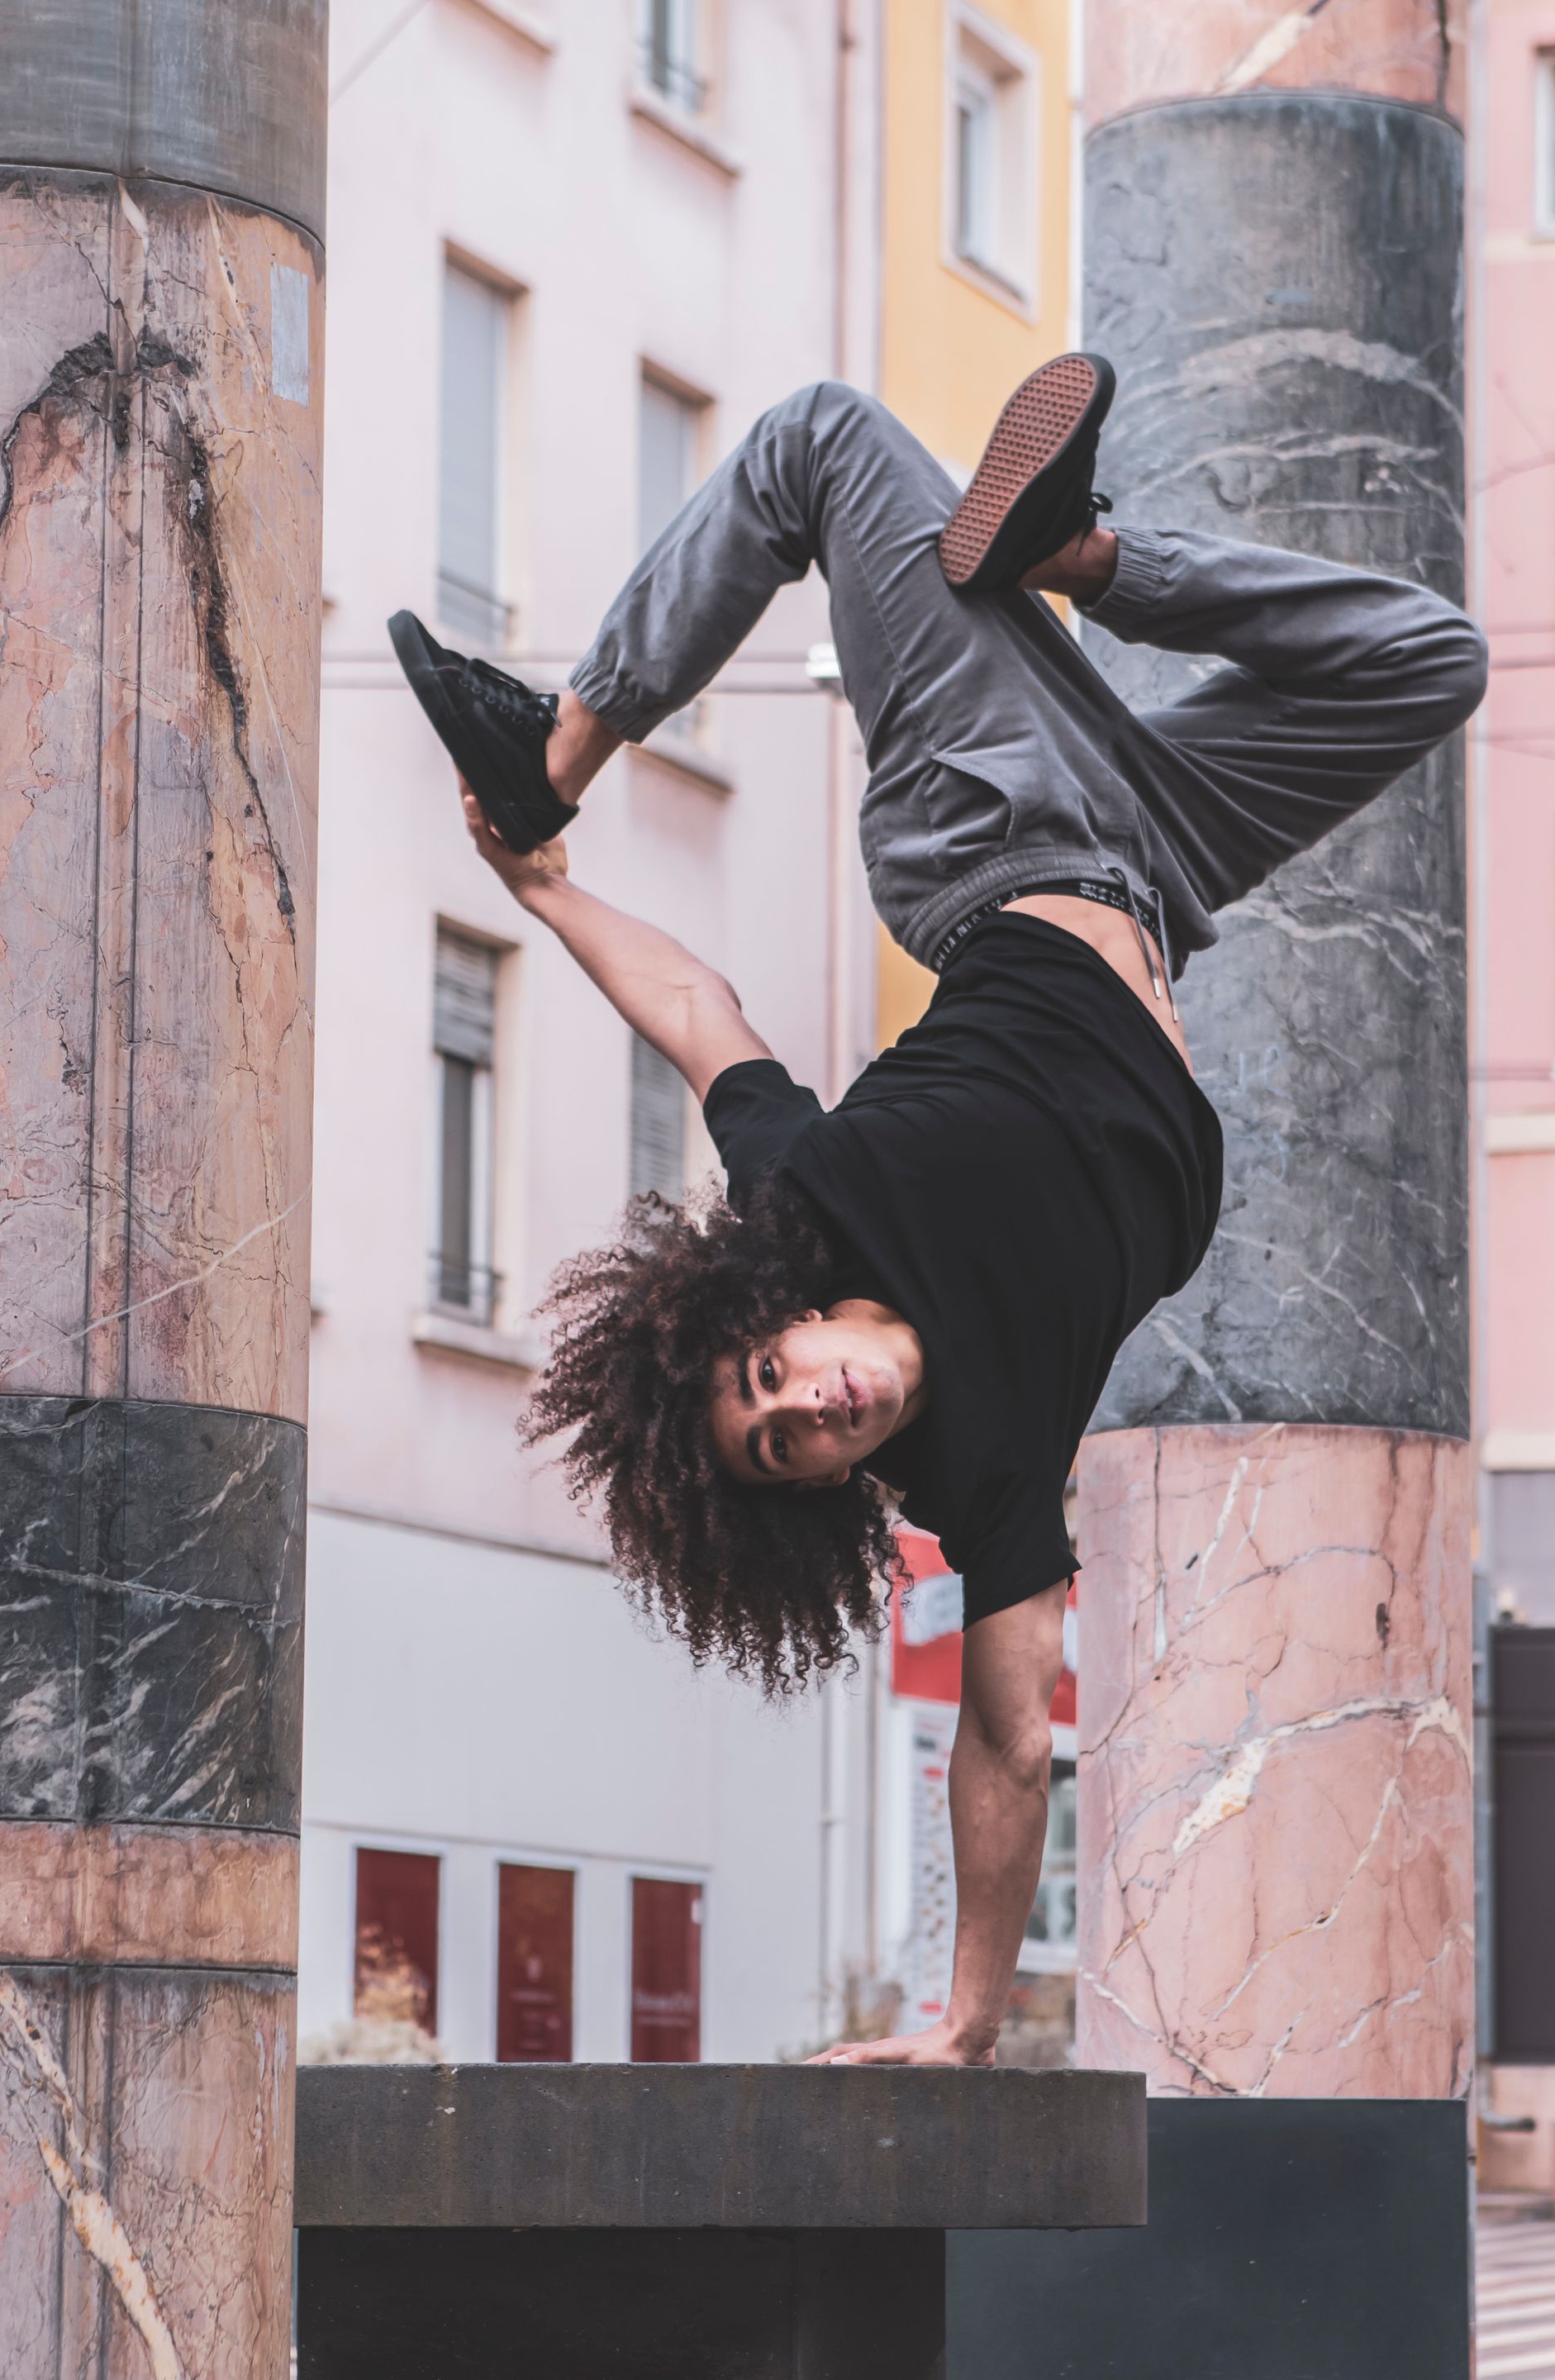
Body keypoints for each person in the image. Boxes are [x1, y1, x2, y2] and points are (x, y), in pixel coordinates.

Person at [390, 356, 1488, 2068]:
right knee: (1433, 660)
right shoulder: (976, 1472)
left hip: (993, 829)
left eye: (769, 1379)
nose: (806, 1404)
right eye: (787, 1448)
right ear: (821, 1495)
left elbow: (696, 1011)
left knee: (820, 442)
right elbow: (1007, 1744)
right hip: (1161, 863)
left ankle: (552, 746)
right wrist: (965, 2024)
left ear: (774, 1317)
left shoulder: (809, 1203)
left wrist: (544, 875)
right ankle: (1081, 557)